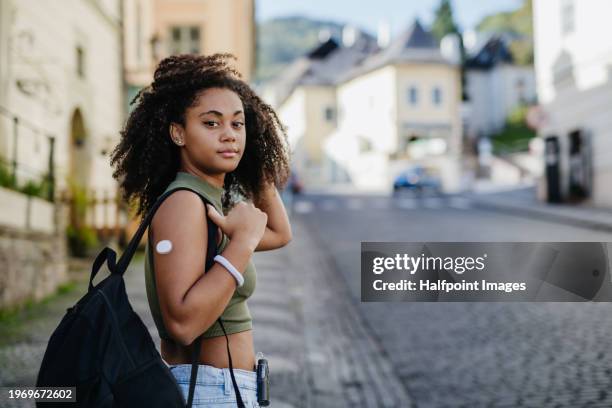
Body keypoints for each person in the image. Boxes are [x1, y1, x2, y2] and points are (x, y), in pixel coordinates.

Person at [110, 53, 292, 407]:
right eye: (211, 124)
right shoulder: (184, 201)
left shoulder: (209, 198)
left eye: (238, 125)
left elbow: (280, 234)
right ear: (178, 133)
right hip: (207, 391)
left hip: (228, 388)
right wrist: (240, 244)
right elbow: (183, 324)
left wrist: (256, 164)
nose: (229, 135)